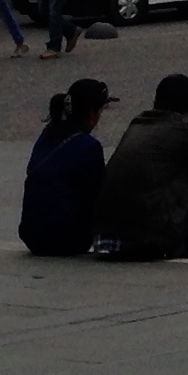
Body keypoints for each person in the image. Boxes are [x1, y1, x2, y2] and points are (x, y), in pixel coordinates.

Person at [91, 74, 188, 260]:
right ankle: (183, 250)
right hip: (147, 239)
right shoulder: (184, 130)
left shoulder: (138, 123)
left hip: (106, 236)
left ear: (156, 100)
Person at [19, 78, 114, 258]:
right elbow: (100, 193)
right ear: (92, 113)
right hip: (68, 239)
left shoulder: (47, 135)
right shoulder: (88, 145)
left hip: (31, 234)